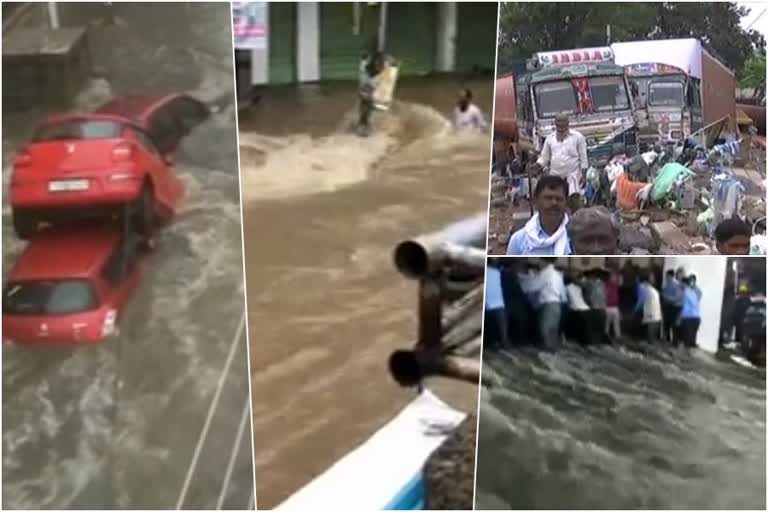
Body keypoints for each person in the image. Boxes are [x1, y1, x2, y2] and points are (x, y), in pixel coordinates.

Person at [507, 175, 571, 255]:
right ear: (535, 201)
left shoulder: (575, 237)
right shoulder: (519, 240)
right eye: (548, 198)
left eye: (559, 199)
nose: (554, 203)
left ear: (566, 203)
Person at [531, 113, 588, 198]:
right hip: (555, 175)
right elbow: (544, 158)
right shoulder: (550, 139)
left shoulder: (578, 137)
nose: (561, 129)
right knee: (555, 198)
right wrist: (536, 166)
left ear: (568, 124)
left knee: (573, 198)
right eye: (559, 126)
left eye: (563, 126)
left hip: (573, 175)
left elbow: (583, 158)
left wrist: (584, 176)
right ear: (556, 124)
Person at [532, 258, 567, 351]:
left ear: (544, 261)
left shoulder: (546, 273)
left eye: (539, 261)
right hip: (557, 304)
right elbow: (563, 293)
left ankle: (548, 349)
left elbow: (534, 285)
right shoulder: (557, 274)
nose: (538, 263)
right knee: (553, 329)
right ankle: (553, 348)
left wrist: (522, 283)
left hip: (549, 304)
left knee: (545, 328)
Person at [357, 51, 386, 136]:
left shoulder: (374, 70)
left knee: (367, 107)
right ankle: (363, 125)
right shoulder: (366, 70)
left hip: (368, 88)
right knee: (366, 107)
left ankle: (364, 124)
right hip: (366, 88)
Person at [484, 260, 510, 349]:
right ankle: (503, 343)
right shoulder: (498, 272)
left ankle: (497, 343)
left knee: (492, 329)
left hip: (489, 304)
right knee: (501, 329)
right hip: (498, 304)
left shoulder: (497, 272)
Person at [564, 272, 591, 345]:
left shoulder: (567, 287)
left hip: (577, 309)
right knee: (584, 330)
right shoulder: (579, 286)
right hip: (585, 309)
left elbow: (566, 300)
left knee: (577, 328)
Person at [635, 272, 662, 342]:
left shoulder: (643, 288)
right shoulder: (652, 289)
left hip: (651, 315)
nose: (653, 279)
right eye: (651, 278)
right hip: (656, 316)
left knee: (649, 337)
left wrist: (635, 310)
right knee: (651, 338)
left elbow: (641, 301)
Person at [661, 269, 684, 344]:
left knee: (673, 325)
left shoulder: (676, 286)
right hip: (666, 307)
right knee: (666, 325)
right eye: (666, 276)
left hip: (673, 308)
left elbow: (677, 298)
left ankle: (674, 342)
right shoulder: (666, 285)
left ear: (671, 276)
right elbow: (663, 294)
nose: (666, 278)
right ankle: (667, 340)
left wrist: (666, 297)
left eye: (667, 276)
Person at [586, 269, 608, 343]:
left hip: (595, 308)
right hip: (602, 309)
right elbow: (604, 297)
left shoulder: (592, 284)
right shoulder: (603, 284)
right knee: (600, 328)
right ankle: (599, 342)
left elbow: (590, 297)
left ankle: (594, 342)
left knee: (594, 327)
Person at [678, 276, 702, 348]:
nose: (680, 285)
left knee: (686, 343)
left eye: (681, 283)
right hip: (695, 318)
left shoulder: (686, 292)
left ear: (684, 284)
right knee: (689, 343)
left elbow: (683, 306)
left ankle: (686, 357)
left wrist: (679, 317)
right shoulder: (692, 292)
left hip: (689, 319)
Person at [605, 270, 621, 341]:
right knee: (607, 324)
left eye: (615, 277)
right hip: (608, 307)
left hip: (615, 306)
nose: (615, 278)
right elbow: (605, 295)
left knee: (616, 324)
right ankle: (606, 336)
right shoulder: (607, 285)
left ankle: (617, 337)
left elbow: (620, 281)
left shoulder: (615, 285)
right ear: (609, 278)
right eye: (613, 277)